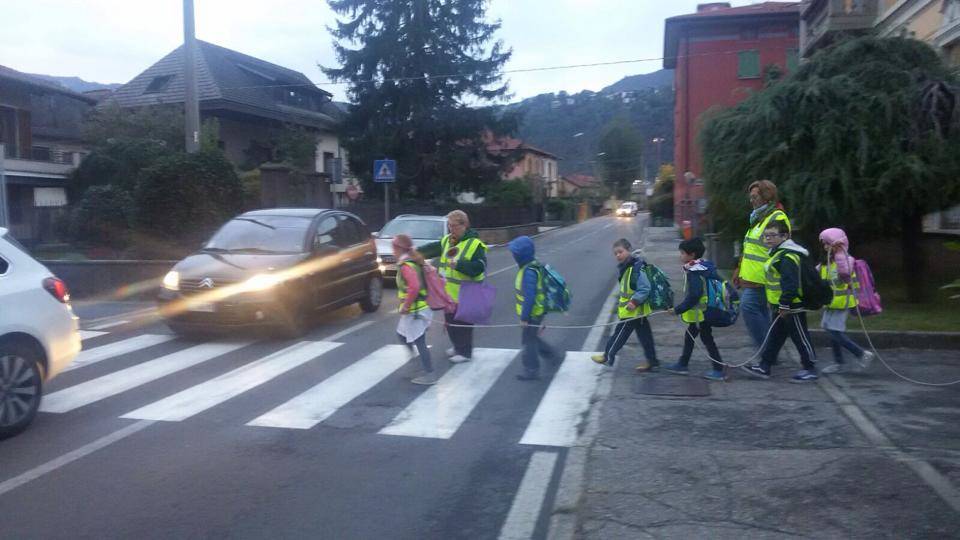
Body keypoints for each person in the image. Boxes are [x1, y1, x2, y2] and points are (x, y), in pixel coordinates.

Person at [741, 220, 818, 382]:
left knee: (800, 336)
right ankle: (764, 366)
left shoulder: (788, 256)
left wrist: (784, 304)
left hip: (791, 306)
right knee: (776, 336)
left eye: (772, 235)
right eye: (766, 236)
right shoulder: (778, 253)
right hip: (779, 305)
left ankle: (810, 368)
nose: (768, 239)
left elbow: (790, 284)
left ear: (784, 236)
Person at [419, 210, 488, 363]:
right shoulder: (447, 241)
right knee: (450, 322)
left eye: (455, 226)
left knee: (463, 324)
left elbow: (480, 266)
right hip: (450, 292)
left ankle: (465, 352)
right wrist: (414, 252)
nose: (451, 229)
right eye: (449, 226)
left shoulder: (475, 245)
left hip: (469, 290)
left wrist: (459, 265)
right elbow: (432, 248)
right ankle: (457, 347)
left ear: (464, 225)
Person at [731, 180, 791, 353]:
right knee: (761, 312)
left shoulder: (777, 217)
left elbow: (781, 250)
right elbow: (750, 248)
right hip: (751, 277)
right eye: (750, 197)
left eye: (755, 197)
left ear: (767, 196)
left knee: (748, 307)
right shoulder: (758, 219)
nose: (752, 200)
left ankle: (766, 351)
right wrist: (739, 270)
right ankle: (769, 352)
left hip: (763, 277)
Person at [590, 239, 659, 372]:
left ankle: (607, 356)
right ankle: (653, 361)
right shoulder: (628, 267)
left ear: (629, 250)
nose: (618, 255)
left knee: (619, 334)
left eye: (620, 252)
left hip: (633, 310)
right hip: (638, 312)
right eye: (615, 253)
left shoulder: (635, 267)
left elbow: (645, 288)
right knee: (645, 337)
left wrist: (634, 302)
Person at [664, 237, 726, 381]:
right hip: (703, 312)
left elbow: (694, 295)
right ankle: (683, 364)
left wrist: (677, 310)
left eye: (682, 253)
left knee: (706, 339)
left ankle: (718, 369)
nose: (680, 256)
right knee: (690, 336)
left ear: (691, 255)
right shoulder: (701, 266)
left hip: (701, 314)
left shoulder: (695, 271)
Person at [818, 228, 875, 374]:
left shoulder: (844, 260)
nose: (825, 247)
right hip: (832, 302)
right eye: (824, 244)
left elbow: (844, 274)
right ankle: (839, 362)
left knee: (834, 332)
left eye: (827, 243)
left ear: (837, 244)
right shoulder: (829, 261)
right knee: (831, 330)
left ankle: (861, 354)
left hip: (841, 302)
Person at [509, 236, 565, 381]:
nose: (513, 256)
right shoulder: (532, 266)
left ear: (521, 255)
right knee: (531, 338)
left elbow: (530, 296)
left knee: (528, 341)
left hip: (533, 313)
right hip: (536, 312)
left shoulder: (528, 271)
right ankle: (552, 355)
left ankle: (531, 369)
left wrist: (525, 317)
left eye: (515, 253)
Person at [392, 234, 437, 385]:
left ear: (399, 248)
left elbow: (415, 287)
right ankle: (417, 363)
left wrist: (406, 306)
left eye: (393, 247)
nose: (392, 250)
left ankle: (429, 373)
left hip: (416, 310)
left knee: (420, 341)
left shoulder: (406, 265)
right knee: (402, 335)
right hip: (417, 308)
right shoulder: (412, 261)